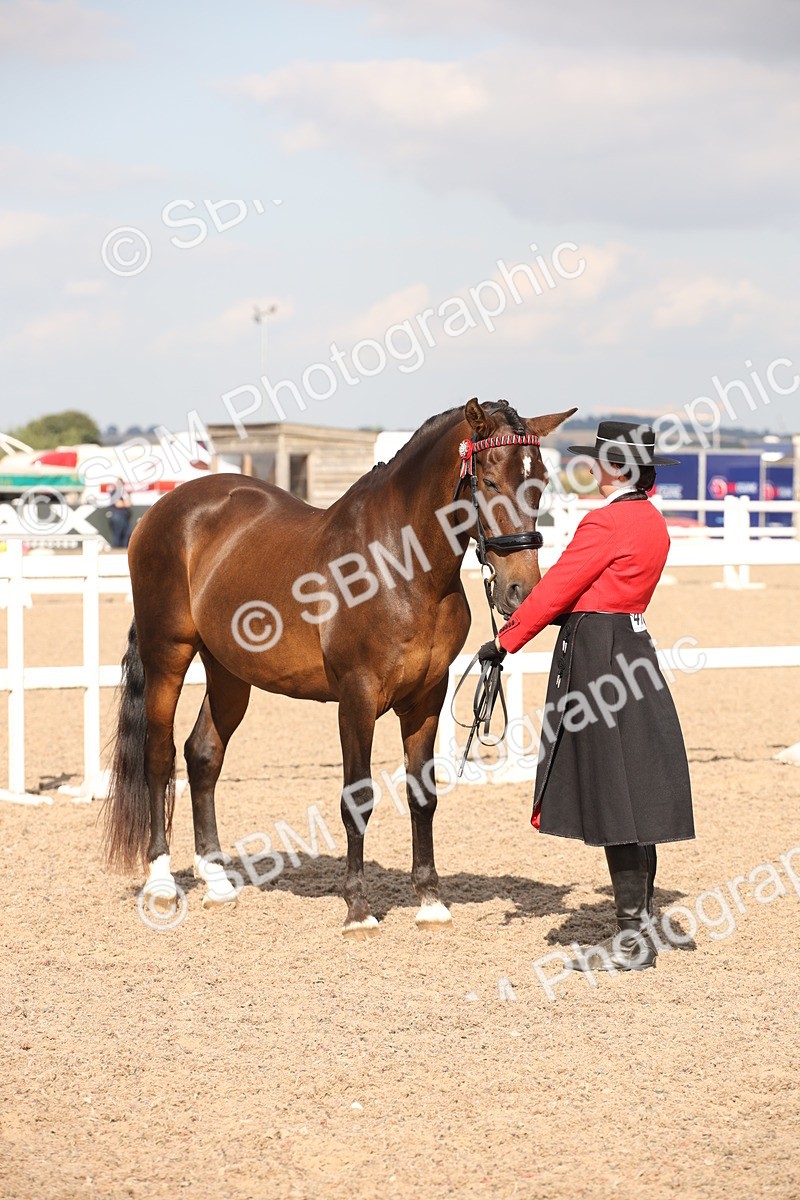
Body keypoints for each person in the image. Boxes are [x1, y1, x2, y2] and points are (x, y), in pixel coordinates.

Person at [479, 420, 695, 972]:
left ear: (615, 467)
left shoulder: (606, 523)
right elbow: (595, 594)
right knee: (637, 786)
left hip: (598, 655)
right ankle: (642, 924)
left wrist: (506, 640)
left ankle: (631, 942)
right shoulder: (651, 521)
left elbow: (558, 588)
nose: (594, 470)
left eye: (601, 461)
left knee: (613, 792)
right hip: (633, 645)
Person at [107, 478, 133, 549]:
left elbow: (129, 503)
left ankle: (124, 549)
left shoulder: (125, 493)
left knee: (127, 533)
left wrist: (124, 503)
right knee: (117, 534)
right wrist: (125, 503)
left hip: (125, 516)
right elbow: (118, 504)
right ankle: (116, 550)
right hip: (117, 516)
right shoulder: (114, 492)